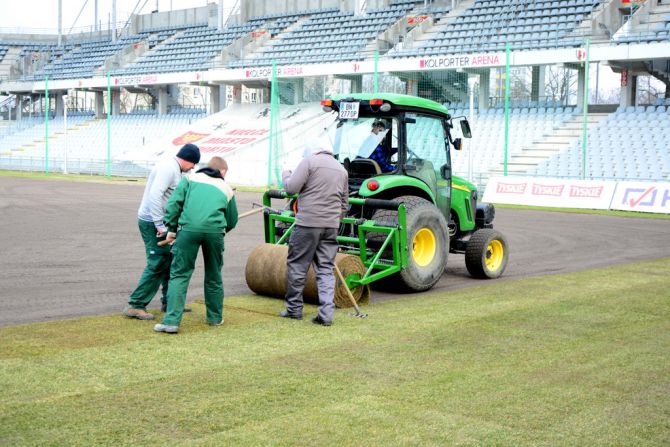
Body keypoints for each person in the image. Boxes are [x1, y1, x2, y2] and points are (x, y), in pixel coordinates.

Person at [154, 156, 238, 333]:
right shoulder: (227, 189)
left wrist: (171, 229)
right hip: (215, 233)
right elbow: (231, 220)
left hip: (188, 231)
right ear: (222, 171)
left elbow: (174, 204)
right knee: (214, 275)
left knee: (179, 275)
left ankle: (171, 322)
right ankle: (215, 318)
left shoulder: (189, 179)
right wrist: (218, 231)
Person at [123, 143, 200, 321]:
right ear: (187, 159)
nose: (193, 168)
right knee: (157, 262)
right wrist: (160, 225)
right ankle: (136, 304)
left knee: (169, 259)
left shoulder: (175, 170)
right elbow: (154, 196)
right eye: (193, 164)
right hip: (152, 223)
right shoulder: (168, 168)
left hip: (164, 223)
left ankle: (169, 302)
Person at [280, 137, 349, 326]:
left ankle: (294, 309)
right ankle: (326, 314)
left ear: (313, 150)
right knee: (325, 269)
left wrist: (286, 172)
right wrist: (333, 219)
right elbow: (344, 204)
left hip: (308, 224)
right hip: (331, 226)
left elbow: (291, 189)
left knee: (298, 265)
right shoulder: (341, 169)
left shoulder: (309, 162)